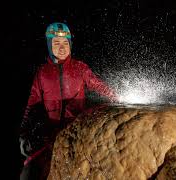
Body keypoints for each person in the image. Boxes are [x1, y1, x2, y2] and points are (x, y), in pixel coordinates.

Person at [19, 22, 118, 180]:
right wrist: (23, 132)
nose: (62, 47)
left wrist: (119, 99)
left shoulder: (80, 68)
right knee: (28, 174)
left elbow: (101, 87)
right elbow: (31, 104)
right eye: (56, 43)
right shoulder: (42, 73)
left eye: (66, 43)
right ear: (49, 46)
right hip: (51, 134)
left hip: (77, 131)